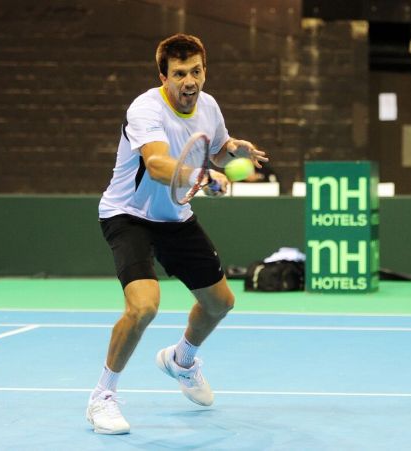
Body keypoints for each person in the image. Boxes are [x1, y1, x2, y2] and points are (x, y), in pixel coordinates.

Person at [86, 33, 268, 435]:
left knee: (220, 303)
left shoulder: (209, 106)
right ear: (163, 77)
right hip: (128, 214)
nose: (190, 81)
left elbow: (215, 148)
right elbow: (157, 164)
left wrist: (234, 149)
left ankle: (182, 360)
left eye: (197, 71)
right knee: (144, 306)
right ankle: (103, 397)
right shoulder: (145, 109)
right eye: (180, 73)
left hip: (175, 216)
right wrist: (205, 176)